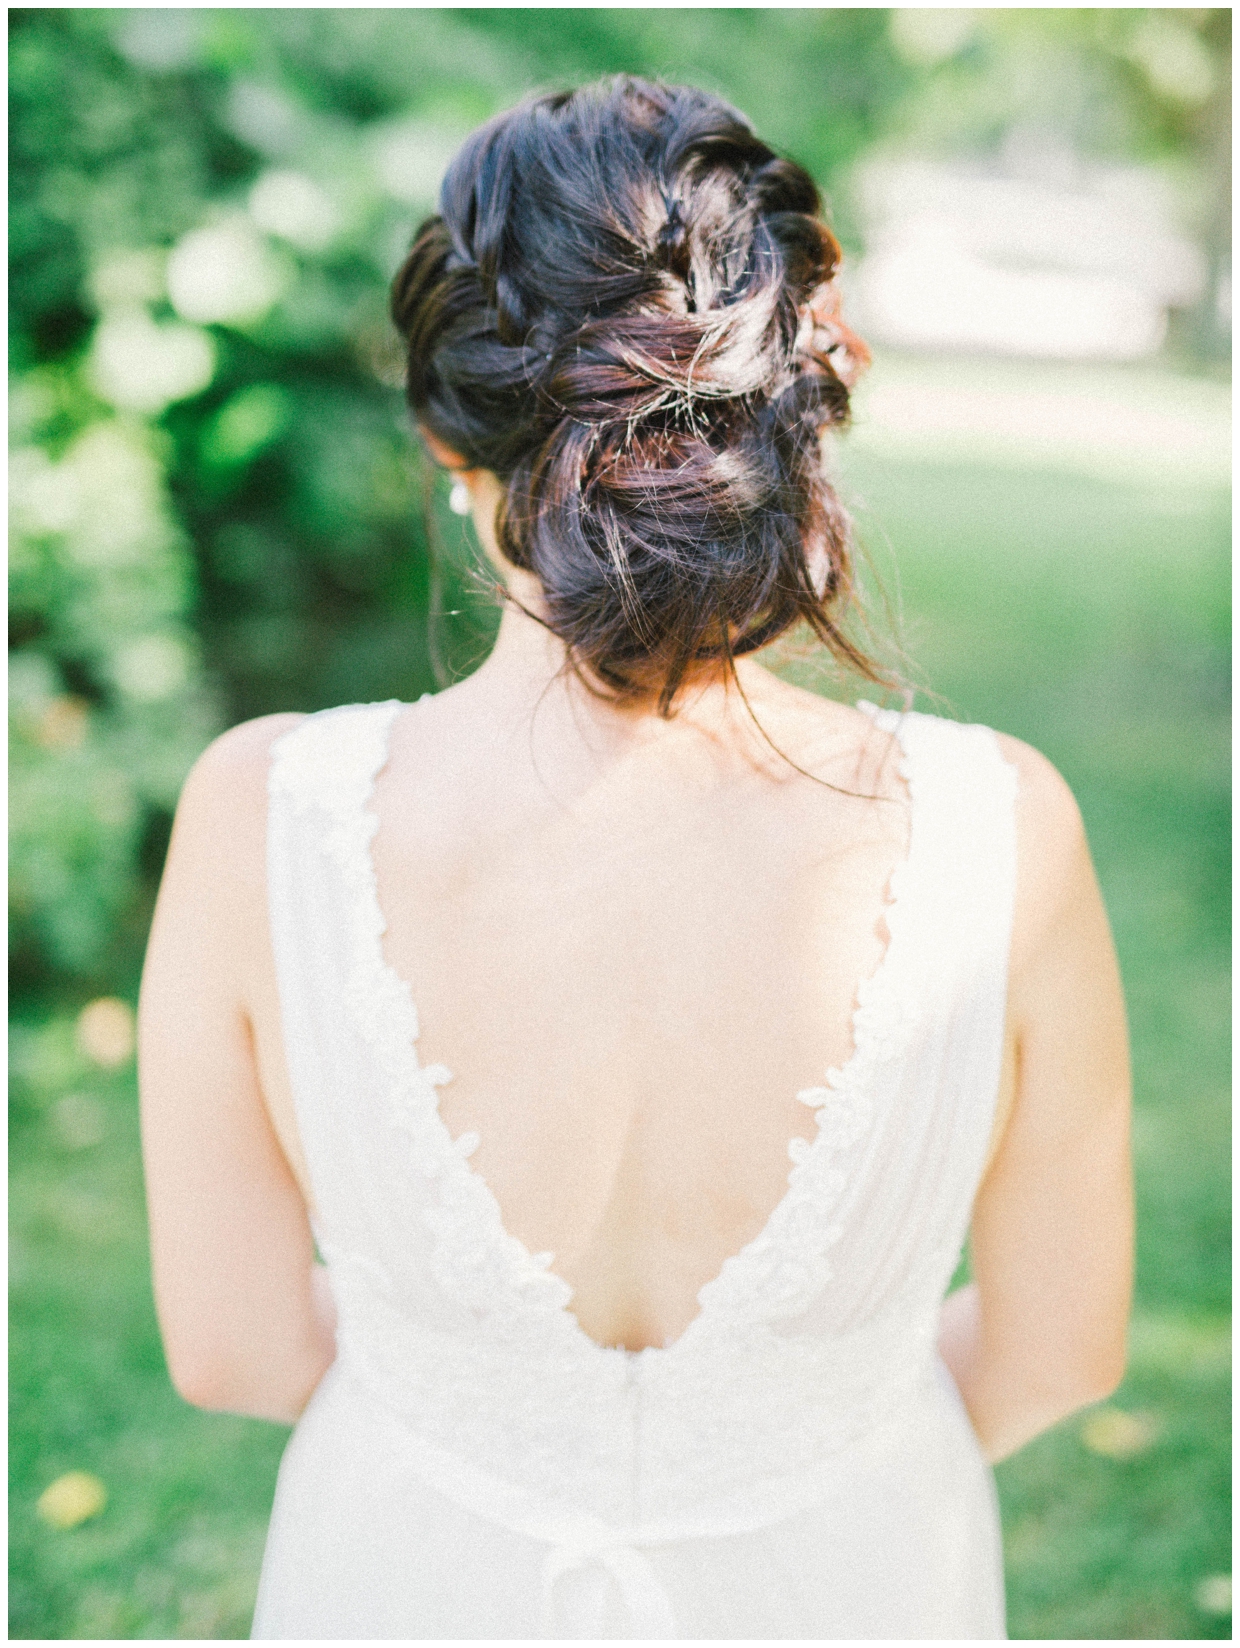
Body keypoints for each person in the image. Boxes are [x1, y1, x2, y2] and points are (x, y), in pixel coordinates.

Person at [138, 76, 1133, 1640]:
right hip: (856, 1580)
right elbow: (1059, 1348)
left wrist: (481, 1418)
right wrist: (796, 1463)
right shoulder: (1006, 824)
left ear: (449, 444)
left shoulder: (260, 809)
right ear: (796, 420)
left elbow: (235, 1351)